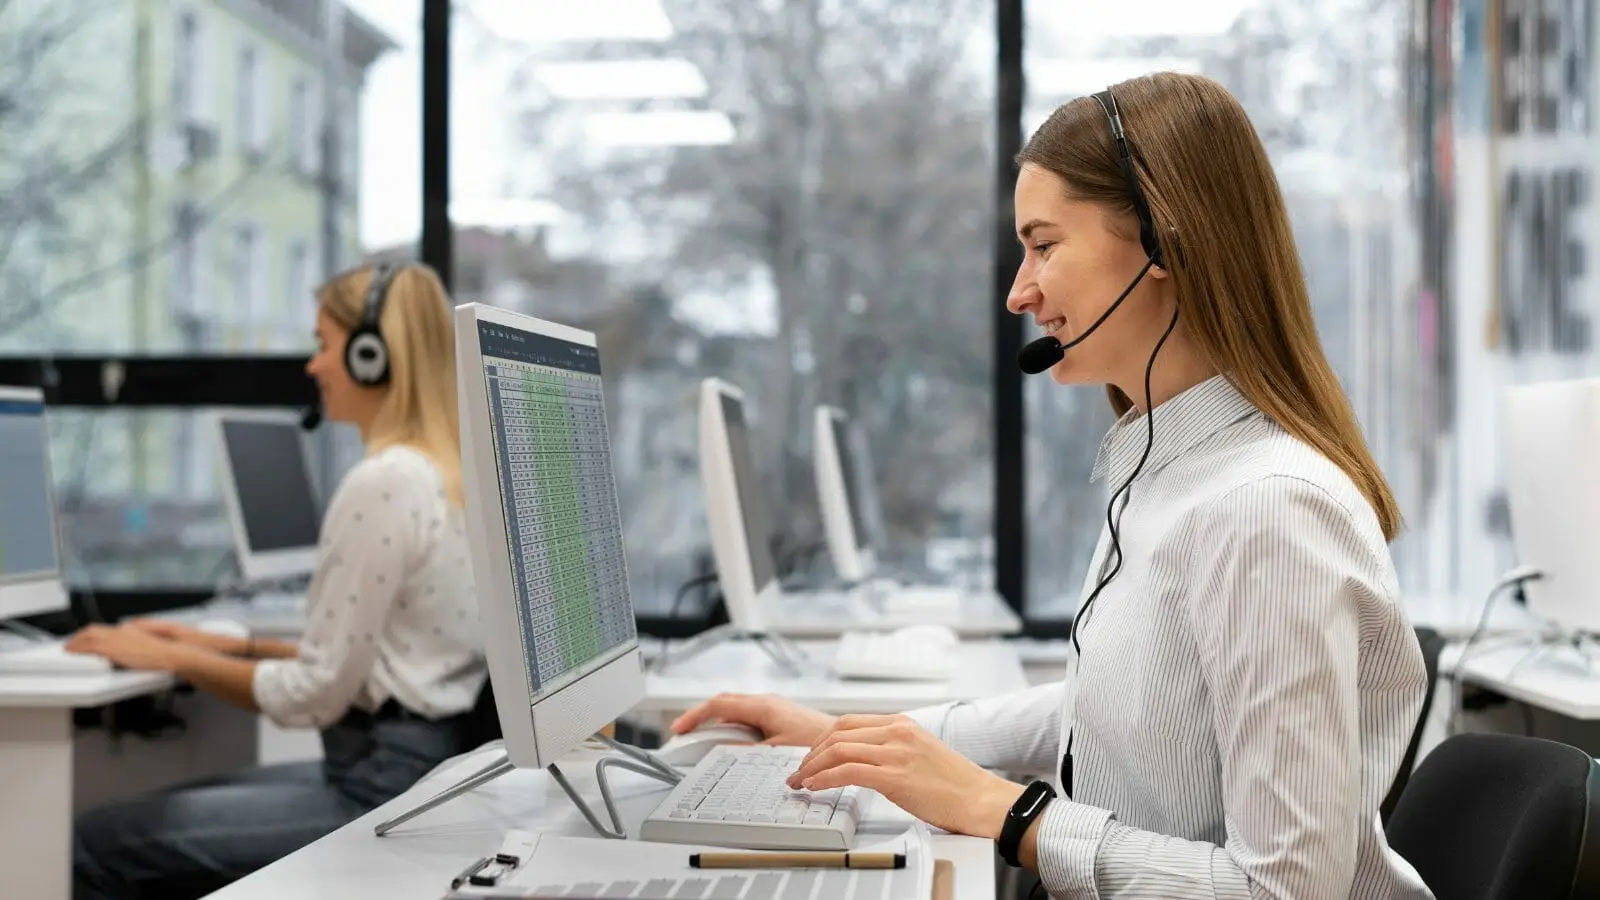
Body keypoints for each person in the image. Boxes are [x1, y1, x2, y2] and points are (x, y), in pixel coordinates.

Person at [670, 73, 1433, 899]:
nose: (1018, 292)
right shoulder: (1163, 470)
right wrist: (867, 742)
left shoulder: (1268, 511)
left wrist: (1009, 814)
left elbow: (1283, 892)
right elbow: (1107, 713)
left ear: (1163, 245)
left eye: (1044, 244)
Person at [69, 262, 486, 900]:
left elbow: (312, 695)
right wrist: (216, 647)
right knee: (173, 803)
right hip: (427, 769)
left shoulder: (385, 482)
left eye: (324, 344)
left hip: (377, 789)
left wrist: (171, 655)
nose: (313, 366)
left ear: (372, 356)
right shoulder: (450, 476)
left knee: (92, 846)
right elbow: (382, 664)